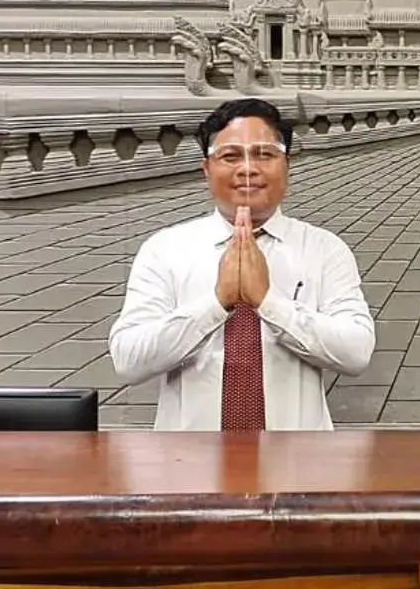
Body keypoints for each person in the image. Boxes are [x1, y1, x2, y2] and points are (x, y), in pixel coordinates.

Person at [108, 98, 375, 431]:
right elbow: (129, 360)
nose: (248, 168)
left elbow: (356, 353)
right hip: (189, 467)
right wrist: (217, 303)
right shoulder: (165, 250)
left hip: (298, 467)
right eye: (230, 156)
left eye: (265, 154)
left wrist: (269, 303)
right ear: (206, 169)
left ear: (286, 164)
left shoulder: (324, 250)